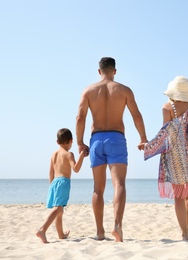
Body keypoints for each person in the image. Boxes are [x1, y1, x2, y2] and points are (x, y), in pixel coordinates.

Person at [76, 57, 148, 242]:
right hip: (116, 138)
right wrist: (143, 138)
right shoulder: (124, 90)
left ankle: (100, 232)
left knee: (97, 189)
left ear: (99, 71)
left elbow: (80, 117)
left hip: (96, 139)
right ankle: (117, 226)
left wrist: (79, 142)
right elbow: (136, 115)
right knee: (120, 184)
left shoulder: (89, 90)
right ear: (115, 71)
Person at [139, 76, 188, 241]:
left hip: (174, 155)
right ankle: (187, 230)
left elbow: (166, 134)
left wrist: (148, 145)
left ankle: (183, 232)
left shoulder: (167, 108)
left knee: (178, 195)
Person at [36, 128, 87, 243]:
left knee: (60, 210)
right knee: (58, 207)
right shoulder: (69, 154)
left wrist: (51, 185)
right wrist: (82, 156)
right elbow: (76, 169)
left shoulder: (54, 154)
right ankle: (42, 230)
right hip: (63, 182)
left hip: (54, 182)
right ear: (71, 141)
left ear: (57, 142)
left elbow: (50, 172)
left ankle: (61, 234)